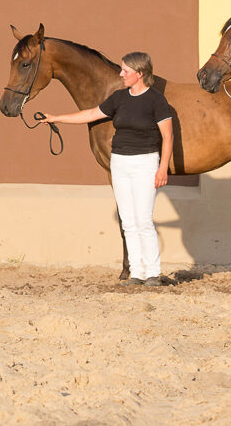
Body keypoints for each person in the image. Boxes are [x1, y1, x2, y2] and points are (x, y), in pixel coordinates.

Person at [43, 52, 174, 286]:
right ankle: (136, 273)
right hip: (120, 163)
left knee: (143, 219)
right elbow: (91, 114)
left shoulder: (156, 100)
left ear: (140, 74)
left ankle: (153, 272)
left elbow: (168, 135)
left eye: (126, 71)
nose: (121, 74)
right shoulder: (119, 98)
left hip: (145, 162)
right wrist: (57, 118)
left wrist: (162, 167)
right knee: (128, 220)